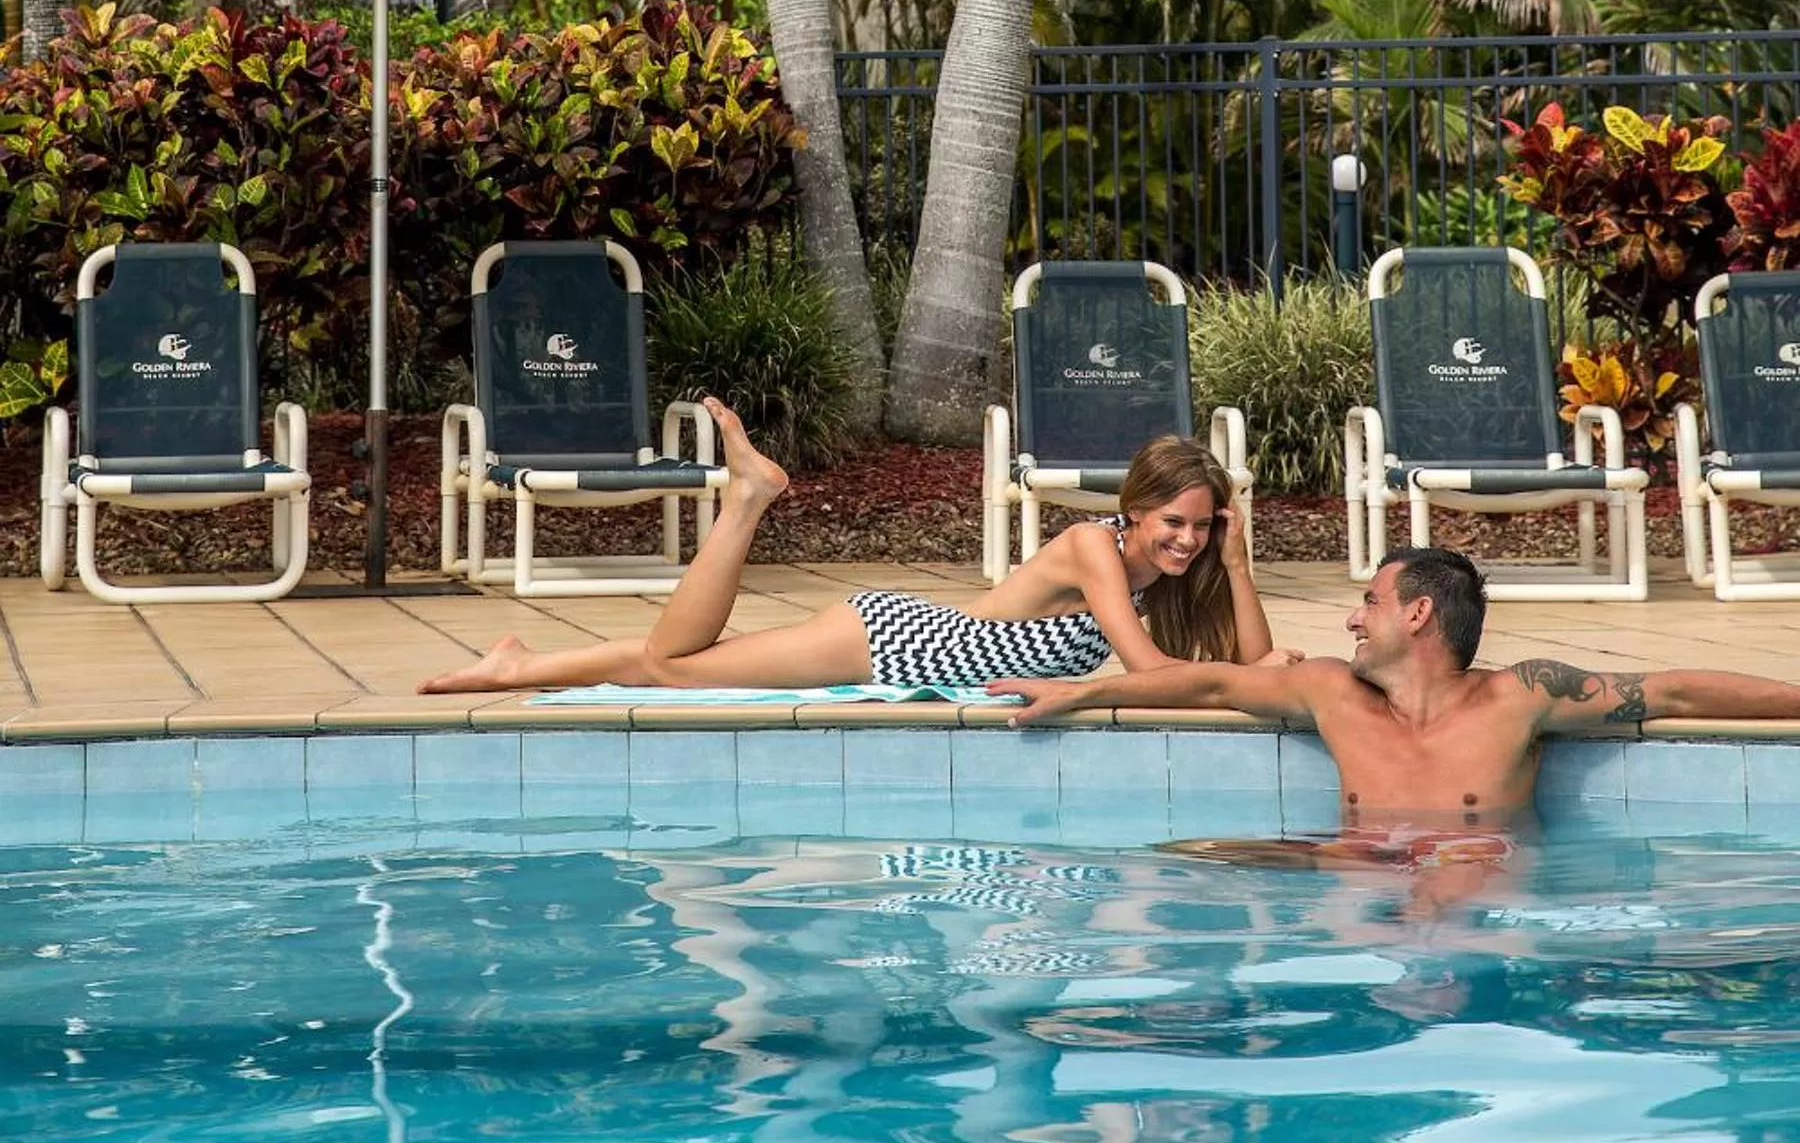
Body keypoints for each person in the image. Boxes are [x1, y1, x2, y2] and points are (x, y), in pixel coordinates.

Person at [419, 405, 1283, 696]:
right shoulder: (1095, 547)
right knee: (676, 665)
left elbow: (1242, 657)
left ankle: (515, 664)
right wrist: (1262, 672)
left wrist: (1236, 568)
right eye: (1172, 520)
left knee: (686, 663)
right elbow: (1142, 672)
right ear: (1133, 510)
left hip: (924, 652)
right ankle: (749, 498)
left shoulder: (1167, 568)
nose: (1186, 539)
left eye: (1202, 526)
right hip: (904, 642)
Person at [995, 544, 1800, 835]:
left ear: (1418, 614)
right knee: (1179, 861)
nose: (1351, 619)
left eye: (1370, 602)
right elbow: (1214, 683)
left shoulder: (1520, 696)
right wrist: (1080, 695)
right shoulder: (1330, 694)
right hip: (1346, 888)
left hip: (1475, 903)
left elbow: (1677, 695)